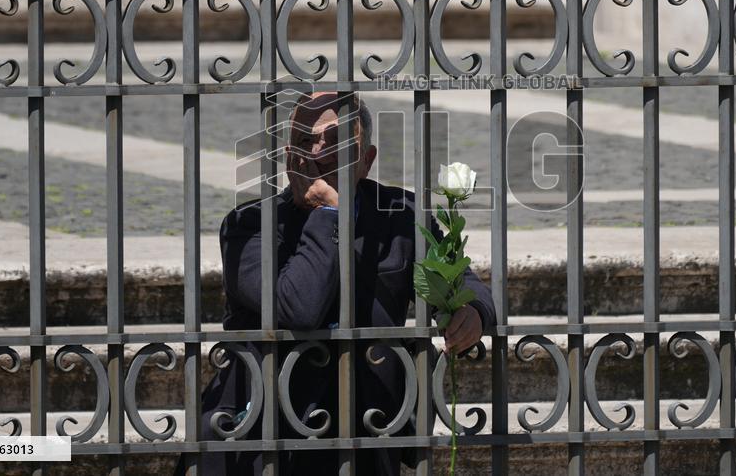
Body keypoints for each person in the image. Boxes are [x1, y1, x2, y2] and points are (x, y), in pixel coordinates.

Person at [174, 91, 496, 475]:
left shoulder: (400, 215)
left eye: (336, 138)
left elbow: (464, 280)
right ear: (288, 155)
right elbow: (298, 308)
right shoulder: (249, 226)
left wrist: (473, 311)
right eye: (304, 140)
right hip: (264, 435)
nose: (317, 151)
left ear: (367, 159)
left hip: (367, 427)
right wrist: (329, 213)